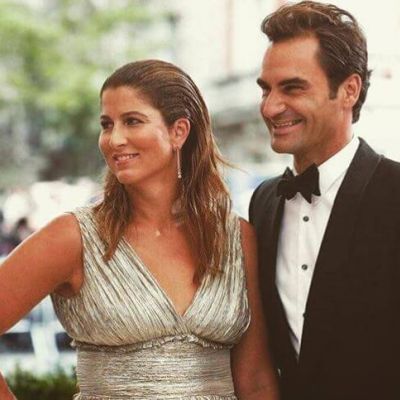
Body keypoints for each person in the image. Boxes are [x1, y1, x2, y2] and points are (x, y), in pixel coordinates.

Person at [0, 60, 279, 399]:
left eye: (132, 121)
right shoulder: (73, 237)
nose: (114, 139)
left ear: (178, 131)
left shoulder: (236, 238)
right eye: (107, 124)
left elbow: (255, 377)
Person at [249, 2, 400, 400]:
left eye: (292, 88)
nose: (270, 107)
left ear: (349, 90)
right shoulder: (263, 203)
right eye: (265, 89)